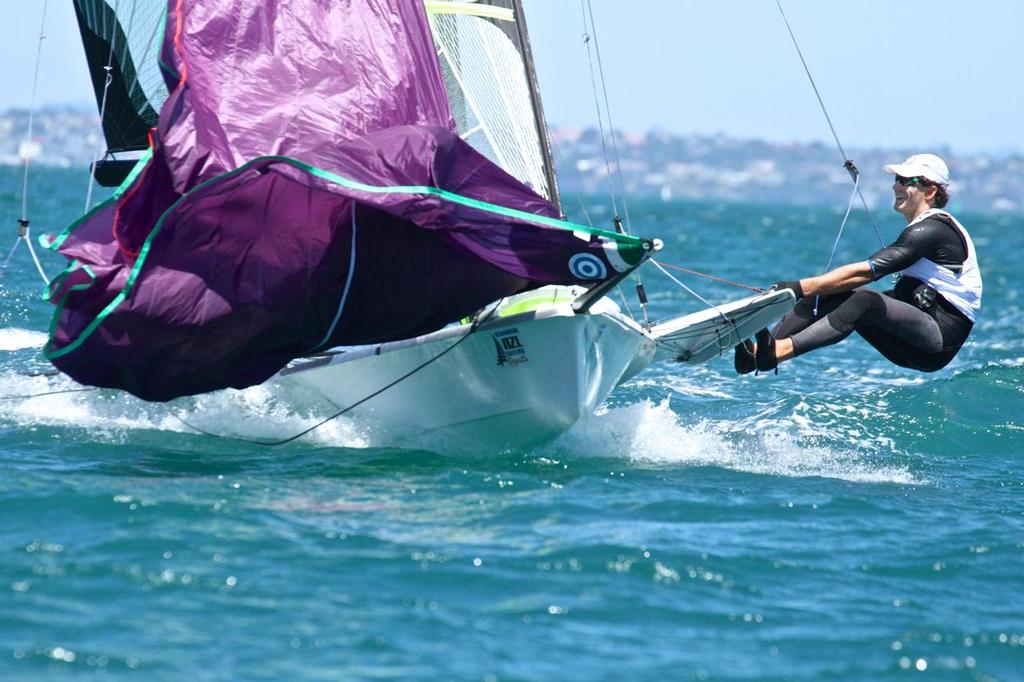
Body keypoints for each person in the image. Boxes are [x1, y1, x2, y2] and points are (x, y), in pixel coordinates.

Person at [735, 153, 982, 375]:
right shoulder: (923, 227)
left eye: (907, 181)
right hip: (912, 335)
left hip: (937, 342)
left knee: (864, 300)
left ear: (930, 191)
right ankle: (756, 355)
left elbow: (867, 272)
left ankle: (777, 352)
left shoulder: (934, 229)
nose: (896, 185)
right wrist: (811, 289)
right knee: (828, 291)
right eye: (897, 179)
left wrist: (798, 287)